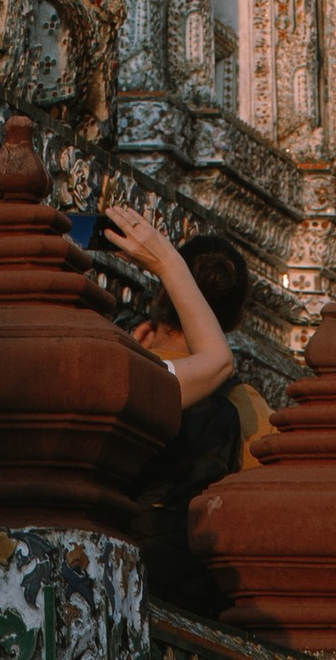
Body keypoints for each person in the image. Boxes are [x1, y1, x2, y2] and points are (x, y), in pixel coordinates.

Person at [108, 208, 256, 608]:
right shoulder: (240, 408)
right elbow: (217, 360)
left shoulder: (119, 370)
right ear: (238, 316)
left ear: (158, 300)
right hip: (178, 597)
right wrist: (167, 262)